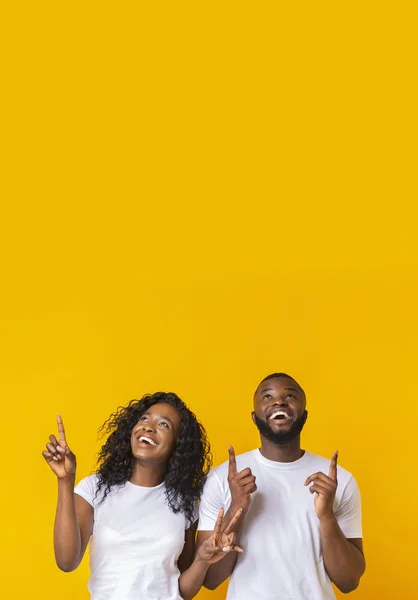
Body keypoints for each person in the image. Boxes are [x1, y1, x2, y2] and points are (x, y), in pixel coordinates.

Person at [42, 391, 242, 600]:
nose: (148, 426)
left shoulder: (185, 504)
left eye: (164, 424)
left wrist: (201, 560)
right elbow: (66, 562)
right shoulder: (95, 488)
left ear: (178, 444)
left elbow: (181, 592)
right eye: (144, 419)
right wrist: (65, 480)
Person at [196, 373, 365, 599]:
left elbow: (348, 581)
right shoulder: (223, 479)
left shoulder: (338, 481)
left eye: (290, 396)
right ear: (254, 417)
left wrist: (326, 517)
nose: (279, 401)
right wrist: (238, 506)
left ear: (304, 416)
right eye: (268, 396)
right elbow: (210, 578)